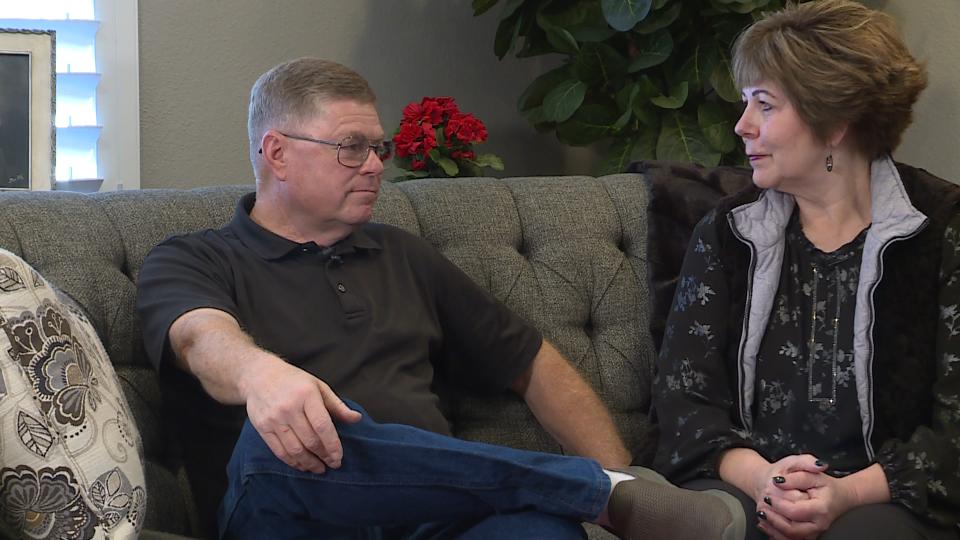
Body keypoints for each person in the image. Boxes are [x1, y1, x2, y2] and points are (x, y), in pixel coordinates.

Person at [136, 57, 744, 540]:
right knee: (300, 426)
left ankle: (621, 496)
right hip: (290, 510)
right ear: (277, 153)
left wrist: (630, 470)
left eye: (380, 148)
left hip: (434, 519)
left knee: (542, 530)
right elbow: (199, 336)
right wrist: (262, 376)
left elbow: (530, 361)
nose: (374, 166)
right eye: (351, 147)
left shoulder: (400, 254)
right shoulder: (193, 257)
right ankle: (602, 491)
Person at [651, 1, 960, 539]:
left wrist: (847, 493)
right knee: (707, 527)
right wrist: (763, 478)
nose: (741, 126)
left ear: (835, 119)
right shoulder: (728, 232)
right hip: (746, 484)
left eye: (764, 106)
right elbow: (684, 403)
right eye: (747, 104)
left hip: (894, 495)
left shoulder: (942, 229)